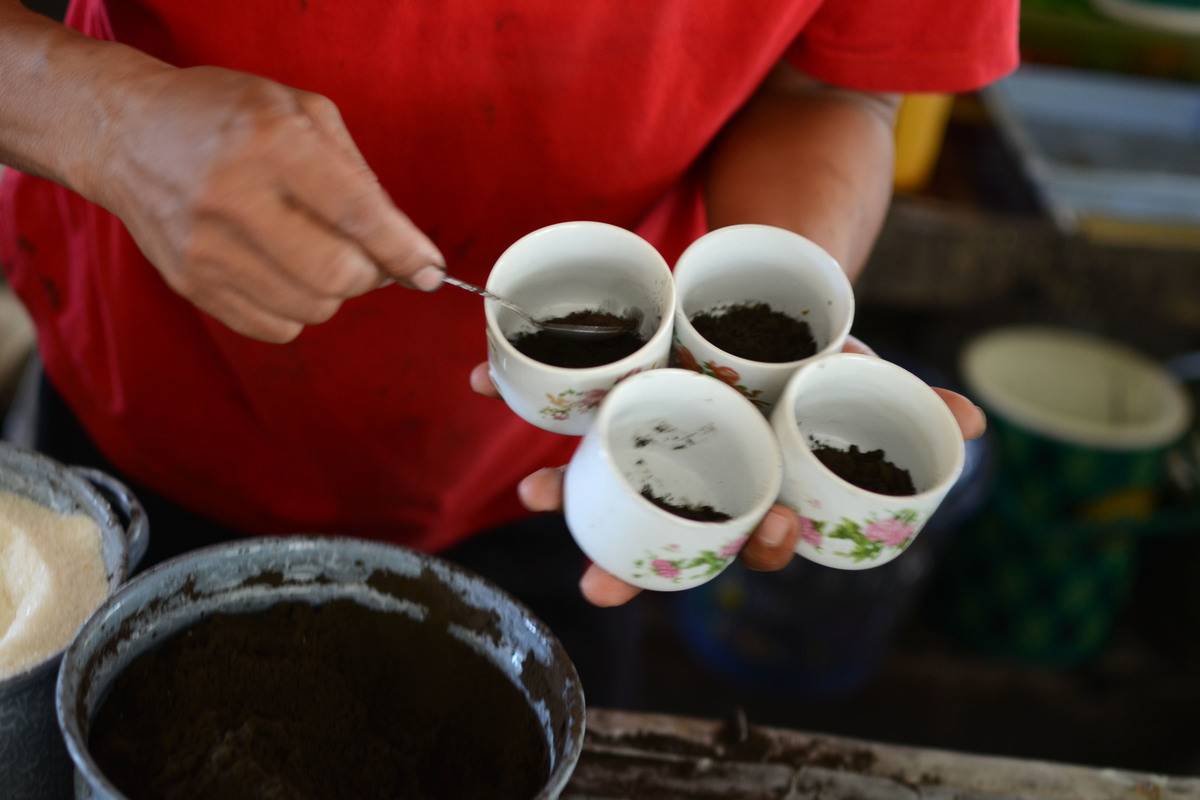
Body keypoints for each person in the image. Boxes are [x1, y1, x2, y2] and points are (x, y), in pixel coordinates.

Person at [1, 1, 1006, 698]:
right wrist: (107, 120)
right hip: (151, 398)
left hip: (585, 461)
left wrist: (765, 348)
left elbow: (835, 90)